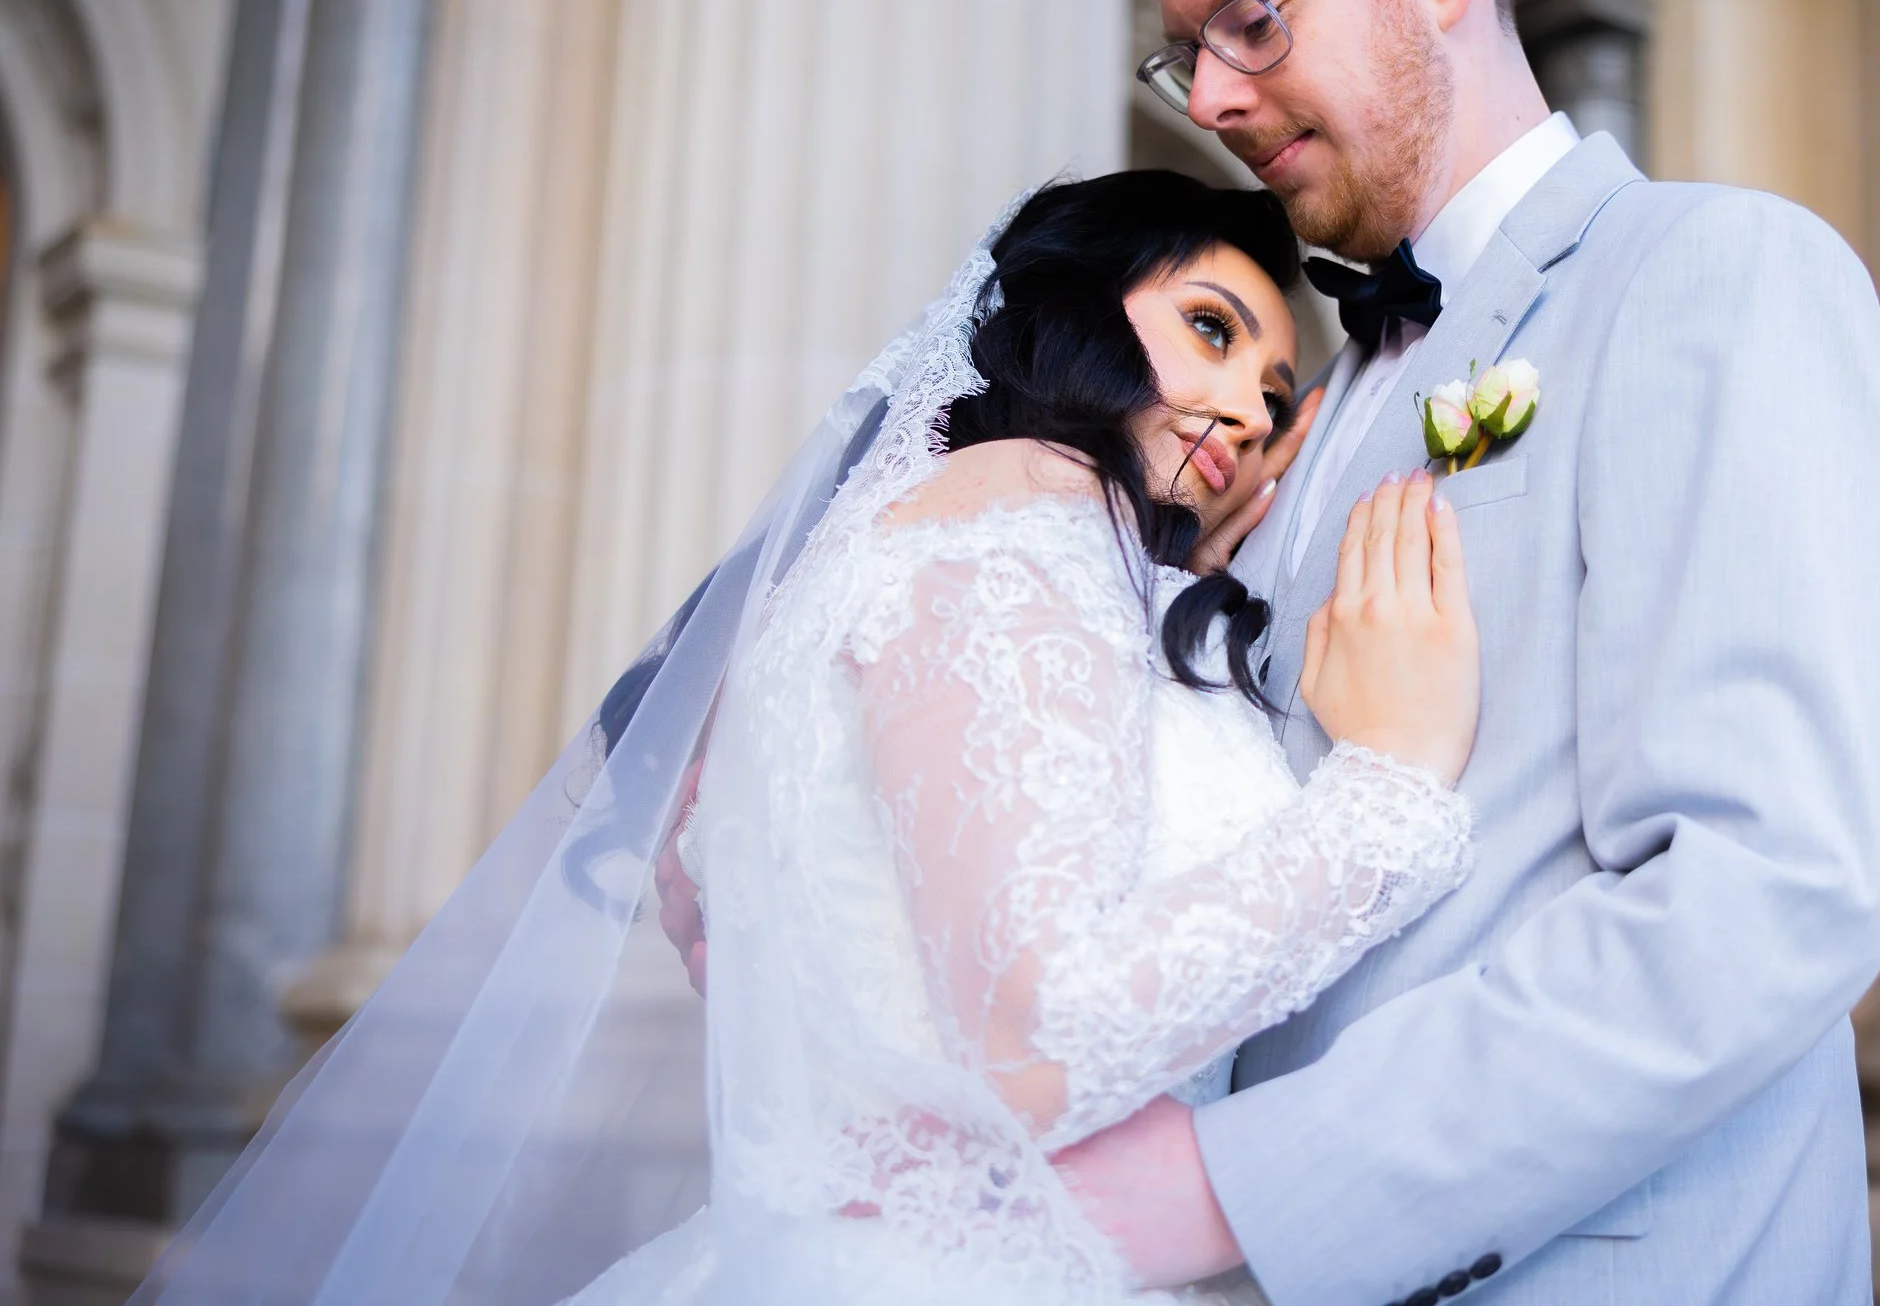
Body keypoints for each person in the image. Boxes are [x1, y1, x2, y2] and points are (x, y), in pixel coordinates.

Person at [132, 172, 1483, 1304]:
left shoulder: (953, 540)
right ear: (1076, 317)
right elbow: (1036, 1031)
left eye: (1274, 384)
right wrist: (1389, 792)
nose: (1252, 411)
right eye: (1211, 327)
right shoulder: (1026, 511)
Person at [1041, 0, 1880, 1305]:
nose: (1219, 100)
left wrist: (1234, 1187)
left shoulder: (1719, 276)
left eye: (1253, 19)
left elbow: (1762, 892)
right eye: (1188, 56)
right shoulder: (1306, 419)